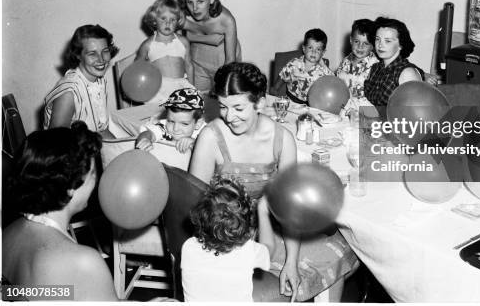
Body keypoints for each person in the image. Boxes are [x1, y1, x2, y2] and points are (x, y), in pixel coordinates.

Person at [189, 62, 358, 301]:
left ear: (259, 103)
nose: (229, 117)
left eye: (238, 107)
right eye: (224, 107)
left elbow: (291, 210)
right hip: (223, 236)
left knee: (339, 249)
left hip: (267, 230)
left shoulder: (282, 139)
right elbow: (195, 204)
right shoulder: (211, 137)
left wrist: (291, 261)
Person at [2, 123, 118, 300]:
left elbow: (51, 294)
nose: (97, 179)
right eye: (93, 173)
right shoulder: (83, 263)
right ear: (70, 189)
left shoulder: (8, 234)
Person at [181, 177, 276, 302]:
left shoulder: (188, 247)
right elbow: (269, 248)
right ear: (248, 229)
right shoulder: (248, 251)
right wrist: (263, 211)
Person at [43, 24, 119, 137]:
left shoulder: (99, 81)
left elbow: (100, 130)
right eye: (92, 54)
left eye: (105, 51)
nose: (101, 59)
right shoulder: (68, 94)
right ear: (78, 55)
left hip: (91, 146)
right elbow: (57, 145)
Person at [180, 0, 242, 93]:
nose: (195, 8)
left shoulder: (226, 19)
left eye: (200, 1)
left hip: (223, 60)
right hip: (197, 59)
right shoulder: (182, 16)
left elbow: (230, 60)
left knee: (221, 99)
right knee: (197, 98)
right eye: (190, 2)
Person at [136, 0, 195, 104]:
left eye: (172, 20)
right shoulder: (148, 45)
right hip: (158, 89)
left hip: (181, 87)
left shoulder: (183, 41)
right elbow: (137, 67)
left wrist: (192, 88)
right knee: (157, 116)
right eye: (163, 18)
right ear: (154, 20)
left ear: (178, 21)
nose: (168, 23)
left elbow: (189, 66)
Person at [135, 87, 205, 171]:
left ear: (198, 124)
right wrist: (145, 139)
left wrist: (195, 144)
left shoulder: (204, 133)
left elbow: (211, 155)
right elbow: (149, 133)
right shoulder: (165, 127)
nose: (175, 129)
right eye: (171, 121)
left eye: (184, 124)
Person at [363, 16, 424, 107]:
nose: (380, 45)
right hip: (375, 120)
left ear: (400, 45)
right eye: (377, 39)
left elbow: (412, 113)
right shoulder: (375, 68)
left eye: (387, 41)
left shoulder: (407, 73)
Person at [278, 28, 334, 104]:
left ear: (323, 52)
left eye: (318, 49)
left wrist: (324, 65)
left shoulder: (322, 70)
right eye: (310, 47)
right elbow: (282, 75)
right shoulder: (294, 63)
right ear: (304, 48)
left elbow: (333, 81)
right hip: (291, 100)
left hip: (310, 104)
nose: (313, 52)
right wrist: (274, 90)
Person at [336, 19, 379, 100]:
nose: (360, 46)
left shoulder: (375, 65)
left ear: (372, 46)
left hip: (365, 108)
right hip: (344, 104)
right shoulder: (345, 61)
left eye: (365, 43)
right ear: (351, 40)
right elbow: (337, 83)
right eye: (356, 41)